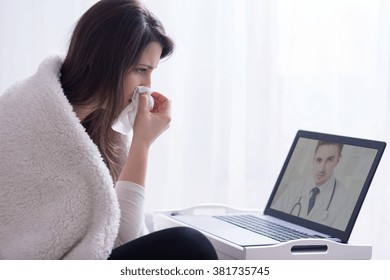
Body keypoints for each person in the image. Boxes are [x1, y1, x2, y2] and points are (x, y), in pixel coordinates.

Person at [0, 0, 217, 260]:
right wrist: (142, 144)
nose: (146, 87)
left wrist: (140, 140)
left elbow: (119, 237)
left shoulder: (101, 130)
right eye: (140, 70)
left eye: (151, 72)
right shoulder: (26, 123)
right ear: (102, 61)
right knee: (187, 244)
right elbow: (118, 243)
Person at [273, 141, 354, 230]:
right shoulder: (295, 187)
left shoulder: (346, 199)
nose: (321, 169)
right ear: (313, 158)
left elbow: (335, 240)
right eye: (319, 160)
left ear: (338, 160)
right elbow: (273, 221)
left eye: (329, 160)